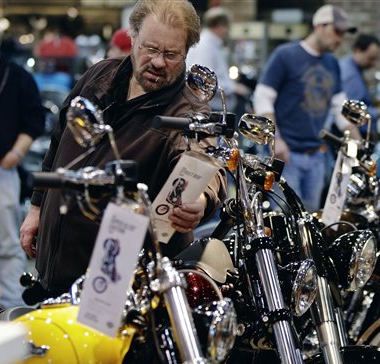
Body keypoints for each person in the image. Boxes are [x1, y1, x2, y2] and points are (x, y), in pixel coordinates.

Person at [20, 0, 226, 298]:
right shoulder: (98, 77)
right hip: (57, 265)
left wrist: (202, 200)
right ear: (133, 37)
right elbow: (59, 138)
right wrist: (37, 207)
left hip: (121, 287)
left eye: (171, 54)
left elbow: (205, 160)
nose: (158, 62)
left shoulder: (187, 111)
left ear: (186, 52)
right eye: (150, 48)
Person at [253, 4, 358, 212]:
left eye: (343, 34)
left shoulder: (332, 63)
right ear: (319, 26)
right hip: (288, 154)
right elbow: (263, 97)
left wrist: (355, 137)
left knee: (310, 219)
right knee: (286, 220)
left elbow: (339, 107)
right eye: (337, 31)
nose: (339, 39)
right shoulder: (286, 55)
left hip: (317, 156)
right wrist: (276, 140)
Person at [0, 7, 45, 308]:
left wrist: (16, 152)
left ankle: (10, 307)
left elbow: (35, 118)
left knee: (9, 244)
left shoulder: (15, 76)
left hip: (1, 169)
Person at [185, 7, 250, 112]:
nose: (227, 31)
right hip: (210, 109)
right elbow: (201, 81)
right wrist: (233, 88)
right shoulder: (205, 47)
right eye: (227, 27)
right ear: (220, 25)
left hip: (214, 107)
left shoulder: (212, 45)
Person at [340, 34, 380, 134]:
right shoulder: (350, 75)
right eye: (371, 58)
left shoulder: (353, 69)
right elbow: (350, 112)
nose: (374, 64)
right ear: (357, 51)